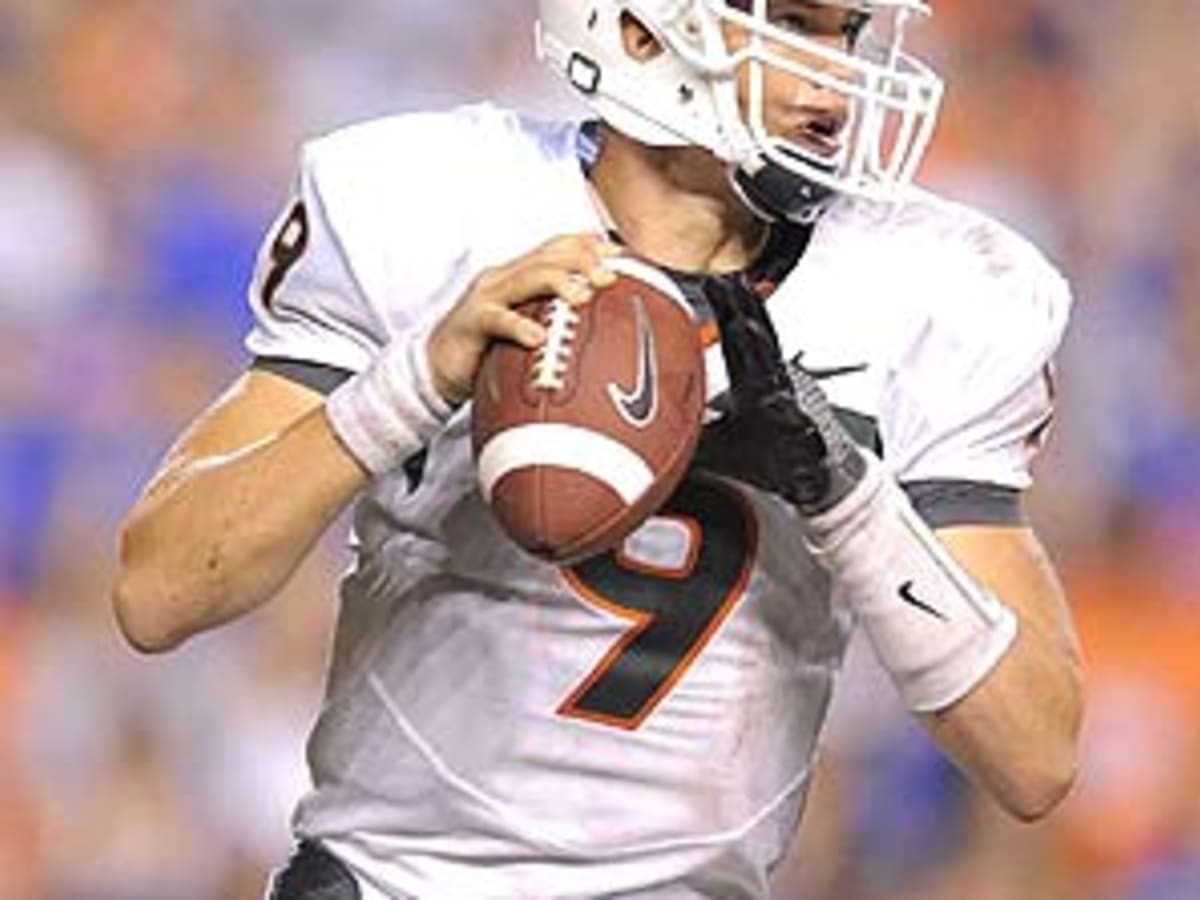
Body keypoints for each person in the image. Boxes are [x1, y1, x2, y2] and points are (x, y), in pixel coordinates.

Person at [112, 1, 1084, 898]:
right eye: (793, 23)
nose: (834, 76)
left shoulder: (939, 289)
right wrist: (414, 385)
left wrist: (848, 499)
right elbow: (159, 593)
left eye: (847, 31)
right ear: (638, 30)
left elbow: (1035, 755)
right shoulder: (427, 202)